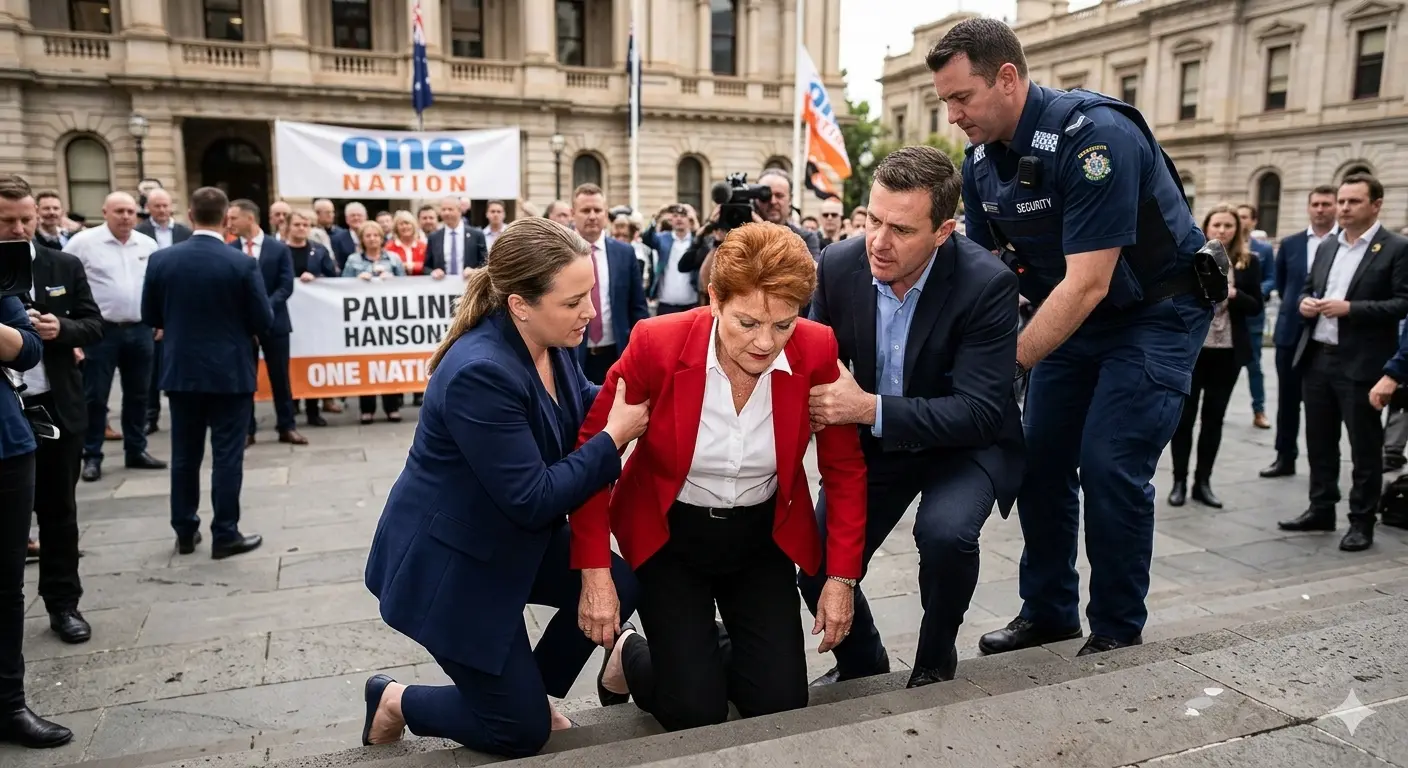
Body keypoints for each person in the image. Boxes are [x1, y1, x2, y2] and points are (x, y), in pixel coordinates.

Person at [929, 19, 1212, 657]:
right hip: (1071, 319)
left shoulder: (1095, 138)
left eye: (961, 97)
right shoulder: (980, 159)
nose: (953, 115)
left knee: (1111, 464)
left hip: (1151, 316)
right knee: (1041, 461)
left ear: (1007, 78)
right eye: (945, 101)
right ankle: (1050, 611)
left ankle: (1115, 626)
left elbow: (1087, 284)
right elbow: (984, 271)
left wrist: (1002, 368)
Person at [360, 218, 648, 756]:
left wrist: (651, 390)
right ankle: (395, 699)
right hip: (453, 566)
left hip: (510, 541)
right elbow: (533, 497)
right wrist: (615, 438)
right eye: (574, 302)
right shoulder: (480, 372)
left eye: (590, 296)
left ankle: (524, 692)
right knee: (516, 734)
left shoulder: (550, 338)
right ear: (520, 304)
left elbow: (582, 403)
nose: (589, 312)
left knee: (620, 582)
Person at [572, 223, 866, 731]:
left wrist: (842, 578)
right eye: (747, 322)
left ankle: (700, 652)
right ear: (714, 299)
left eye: (782, 325)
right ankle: (629, 654)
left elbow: (844, 470)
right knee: (694, 713)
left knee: (778, 705)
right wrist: (595, 572)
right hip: (670, 536)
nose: (764, 344)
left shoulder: (816, 348)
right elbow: (593, 455)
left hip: (761, 537)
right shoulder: (655, 342)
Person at [802, 146, 1024, 688]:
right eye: (873, 219)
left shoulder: (987, 283)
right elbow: (814, 358)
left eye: (900, 229)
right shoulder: (837, 264)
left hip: (964, 445)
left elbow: (978, 412)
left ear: (944, 231)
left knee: (946, 535)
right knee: (815, 553)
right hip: (877, 443)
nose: (878, 241)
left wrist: (868, 407)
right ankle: (862, 662)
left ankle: (933, 660)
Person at [141, 187, 272, 560]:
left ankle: (184, 529)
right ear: (226, 218)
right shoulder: (241, 263)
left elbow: (150, 314)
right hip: (229, 371)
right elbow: (263, 319)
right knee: (227, 455)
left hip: (182, 370)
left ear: (190, 214)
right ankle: (225, 532)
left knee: (185, 455)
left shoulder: (162, 260)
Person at [1282, 174, 1408, 552]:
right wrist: (1306, 303)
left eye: (1353, 201)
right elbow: (1309, 288)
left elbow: (1403, 303)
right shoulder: (1327, 246)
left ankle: (1361, 520)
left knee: (1364, 448)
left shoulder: (1395, 248)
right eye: (1341, 201)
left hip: (1362, 363)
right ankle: (1321, 508)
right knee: (1320, 442)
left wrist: (1351, 309)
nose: (1344, 208)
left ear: (1376, 204)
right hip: (1318, 356)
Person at [0, 178, 72, 748]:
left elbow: (27, 348)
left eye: (25, 220)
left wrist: (58, 328)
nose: (20, 230)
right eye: (9, 220)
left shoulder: (58, 263)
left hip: (29, 425)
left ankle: (9, 702)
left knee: (56, 517)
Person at [1167, 205, 1265, 509]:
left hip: (1228, 352)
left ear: (1238, 230)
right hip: (1194, 350)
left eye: (1228, 225)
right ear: (1206, 227)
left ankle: (1203, 482)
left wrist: (1235, 294)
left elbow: (1257, 306)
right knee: (1184, 418)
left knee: (1214, 419)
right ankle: (1179, 481)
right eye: (1217, 224)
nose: (1222, 230)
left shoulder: (1248, 262)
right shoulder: (1193, 258)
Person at [1261, 186, 1339, 479]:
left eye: (1326, 204)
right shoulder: (1292, 244)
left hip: (1328, 335)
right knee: (1288, 399)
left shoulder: (1343, 243)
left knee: (1324, 404)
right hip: (1291, 333)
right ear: (1309, 208)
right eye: (1316, 204)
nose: (1321, 209)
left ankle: (1324, 465)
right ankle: (1285, 455)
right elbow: (1283, 284)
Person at [228, 199, 303, 447]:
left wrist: (263, 310)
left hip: (276, 324)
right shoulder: (230, 248)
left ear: (249, 219)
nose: (229, 223)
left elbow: (285, 285)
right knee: (245, 379)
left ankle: (286, 425)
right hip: (243, 327)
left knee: (280, 377)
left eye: (234, 218)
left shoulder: (278, 248)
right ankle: (247, 429)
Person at [571, 184, 650, 384]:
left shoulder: (624, 253)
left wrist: (640, 349)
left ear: (606, 214)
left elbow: (637, 307)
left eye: (597, 210)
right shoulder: (560, 254)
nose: (592, 216)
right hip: (572, 355)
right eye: (585, 210)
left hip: (616, 353)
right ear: (573, 213)